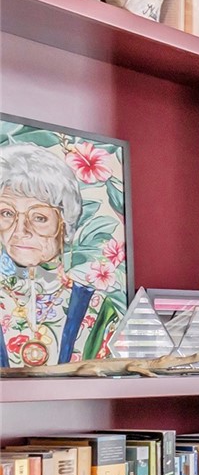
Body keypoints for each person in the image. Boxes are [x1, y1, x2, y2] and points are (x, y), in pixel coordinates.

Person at [0, 141, 121, 367]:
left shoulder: (97, 309)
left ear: (65, 224)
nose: (20, 231)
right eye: (6, 213)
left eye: (39, 217)